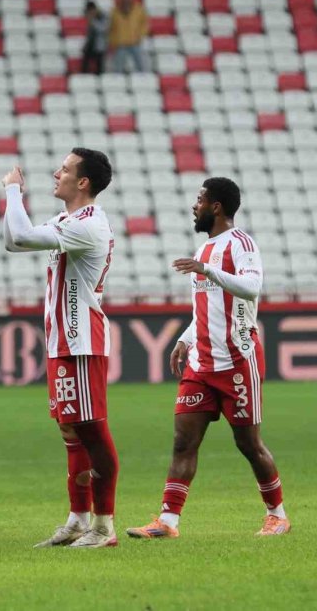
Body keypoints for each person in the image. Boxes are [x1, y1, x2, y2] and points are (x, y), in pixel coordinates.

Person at [127, 178, 291, 539]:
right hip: (201, 365)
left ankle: (277, 515)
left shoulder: (241, 244)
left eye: (200, 199)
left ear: (216, 207)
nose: (194, 205)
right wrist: (185, 339)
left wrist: (207, 270)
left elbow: (252, 287)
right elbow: (208, 306)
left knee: (248, 444)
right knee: (183, 442)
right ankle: (167, 522)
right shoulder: (203, 250)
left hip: (237, 361)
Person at [2, 148, 118, 549]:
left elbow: (20, 235)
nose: (56, 173)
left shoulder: (89, 224)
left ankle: (103, 526)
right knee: (71, 429)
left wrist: (13, 192)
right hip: (62, 341)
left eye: (64, 169)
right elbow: (13, 243)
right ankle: (78, 519)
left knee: (93, 431)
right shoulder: (67, 220)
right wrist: (13, 200)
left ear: (82, 182)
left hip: (82, 341)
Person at [109, 0, 149, 73]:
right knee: (118, 68)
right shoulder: (115, 11)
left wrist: (140, 35)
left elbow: (145, 24)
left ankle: (143, 80)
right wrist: (112, 42)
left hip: (135, 42)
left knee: (141, 67)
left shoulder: (139, 9)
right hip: (120, 43)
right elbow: (111, 28)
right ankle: (118, 80)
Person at [81, 1, 109, 75]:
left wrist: (92, 22)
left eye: (92, 11)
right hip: (90, 44)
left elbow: (103, 29)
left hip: (100, 45)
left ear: (95, 9)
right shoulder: (89, 17)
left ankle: (100, 79)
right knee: (84, 65)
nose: (91, 13)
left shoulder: (103, 16)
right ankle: (84, 78)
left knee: (99, 67)